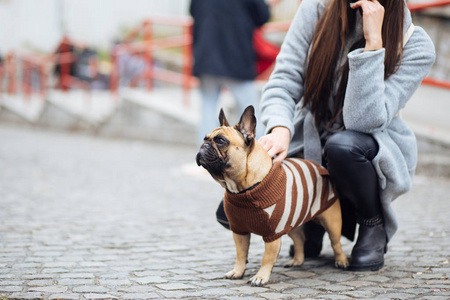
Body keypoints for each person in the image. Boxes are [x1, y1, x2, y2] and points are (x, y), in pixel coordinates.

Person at [216, 0, 436, 271]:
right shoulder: (316, 10)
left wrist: (373, 44)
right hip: (312, 146)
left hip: (366, 152)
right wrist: (281, 128)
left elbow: (363, 121)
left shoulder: (416, 45)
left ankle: (371, 222)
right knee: (237, 209)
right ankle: (311, 215)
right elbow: (284, 79)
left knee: (343, 145)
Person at [190, 0, 272, 146]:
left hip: (207, 56)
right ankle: (260, 154)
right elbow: (263, 16)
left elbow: (193, 11)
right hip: (237, 56)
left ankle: (207, 158)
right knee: (249, 110)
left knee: (208, 109)